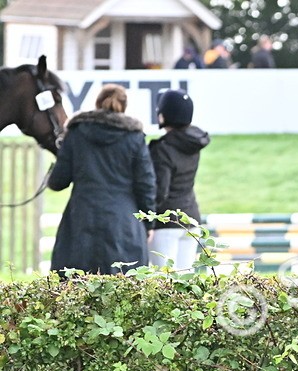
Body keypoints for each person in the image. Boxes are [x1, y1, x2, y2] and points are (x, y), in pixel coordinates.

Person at [48, 84, 156, 275]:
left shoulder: (76, 132)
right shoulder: (134, 137)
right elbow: (146, 184)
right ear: (124, 107)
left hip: (80, 221)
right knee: (125, 285)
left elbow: (58, 182)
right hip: (124, 223)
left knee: (75, 284)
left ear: (97, 104)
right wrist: (148, 222)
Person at [149, 90, 210, 273]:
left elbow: (160, 192)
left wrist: (147, 222)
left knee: (163, 279)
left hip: (166, 222)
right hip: (191, 217)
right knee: (185, 279)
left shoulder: (162, 148)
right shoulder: (193, 143)